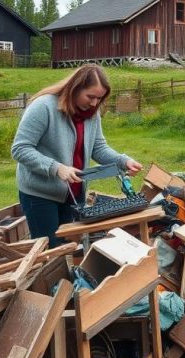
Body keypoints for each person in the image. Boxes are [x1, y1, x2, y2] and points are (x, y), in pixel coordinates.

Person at [11, 64, 142, 247]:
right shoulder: (44, 106)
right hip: (41, 195)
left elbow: (98, 148)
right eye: (90, 96)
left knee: (69, 248)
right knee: (49, 252)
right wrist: (56, 168)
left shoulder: (91, 114)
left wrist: (123, 161)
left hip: (74, 194)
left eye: (99, 98)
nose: (95, 103)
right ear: (75, 88)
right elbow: (20, 149)